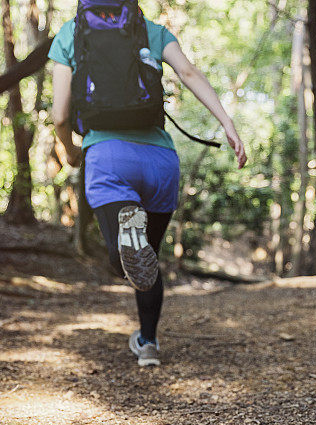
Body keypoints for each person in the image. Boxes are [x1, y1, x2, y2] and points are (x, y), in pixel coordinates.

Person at [50, 4, 247, 366]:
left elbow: (60, 114)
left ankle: (126, 228)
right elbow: (187, 71)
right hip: (159, 162)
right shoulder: (152, 32)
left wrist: (71, 151)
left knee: (124, 258)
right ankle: (149, 344)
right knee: (146, 260)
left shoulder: (71, 34)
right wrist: (227, 124)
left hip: (107, 157)